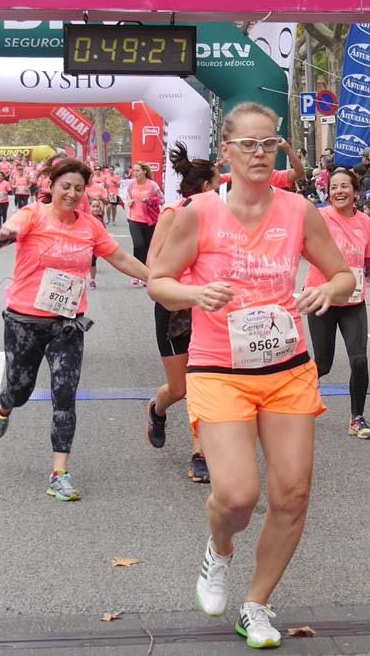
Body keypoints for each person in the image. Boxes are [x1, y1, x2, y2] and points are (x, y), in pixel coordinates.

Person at [148, 102, 355, 650]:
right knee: (237, 495)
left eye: (269, 143)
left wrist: (324, 291)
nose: (260, 153)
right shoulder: (197, 213)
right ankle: (220, 549)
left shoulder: (298, 211)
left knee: (292, 493)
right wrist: (195, 294)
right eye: (249, 144)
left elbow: (342, 273)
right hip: (220, 369)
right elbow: (159, 281)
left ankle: (256, 604)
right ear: (228, 153)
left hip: (287, 368)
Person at [0, 159, 150, 501]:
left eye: (78, 188)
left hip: (67, 324)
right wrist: (4, 235)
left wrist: (157, 277)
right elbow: (3, 235)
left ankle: (59, 473)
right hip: (25, 320)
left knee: (65, 395)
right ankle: (4, 405)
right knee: (21, 387)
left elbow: (120, 259)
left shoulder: (90, 226)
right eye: (66, 187)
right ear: (52, 187)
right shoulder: (32, 214)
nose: (72, 193)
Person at [144, 142, 220, 483]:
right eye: (217, 186)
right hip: (175, 309)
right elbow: (152, 266)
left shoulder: (222, 217)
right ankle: (156, 409)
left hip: (210, 309)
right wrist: (184, 284)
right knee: (179, 388)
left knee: (204, 382)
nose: (220, 192)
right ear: (205, 188)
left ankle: (200, 453)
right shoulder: (173, 214)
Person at [306, 168, 370, 439]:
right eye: (334, 187)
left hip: (353, 301)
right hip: (321, 299)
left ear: (356, 192)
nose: (338, 191)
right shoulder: (319, 217)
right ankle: (296, 398)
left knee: (359, 360)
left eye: (344, 186)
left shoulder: (364, 223)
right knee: (322, 364)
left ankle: (357, 417)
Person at [125, 162, 164, 284]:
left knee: (147, 247)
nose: (135, 173)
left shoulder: (152, 185)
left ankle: (145, 275)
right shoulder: (131, 184)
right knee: (138, 245)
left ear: (144, 172)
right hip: (134, 219)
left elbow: (162, 200)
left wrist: (150, 201)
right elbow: (126, 196)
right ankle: (136, 273)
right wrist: (129, 201)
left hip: (149, 221)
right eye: (134, 171)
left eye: (137, 171)